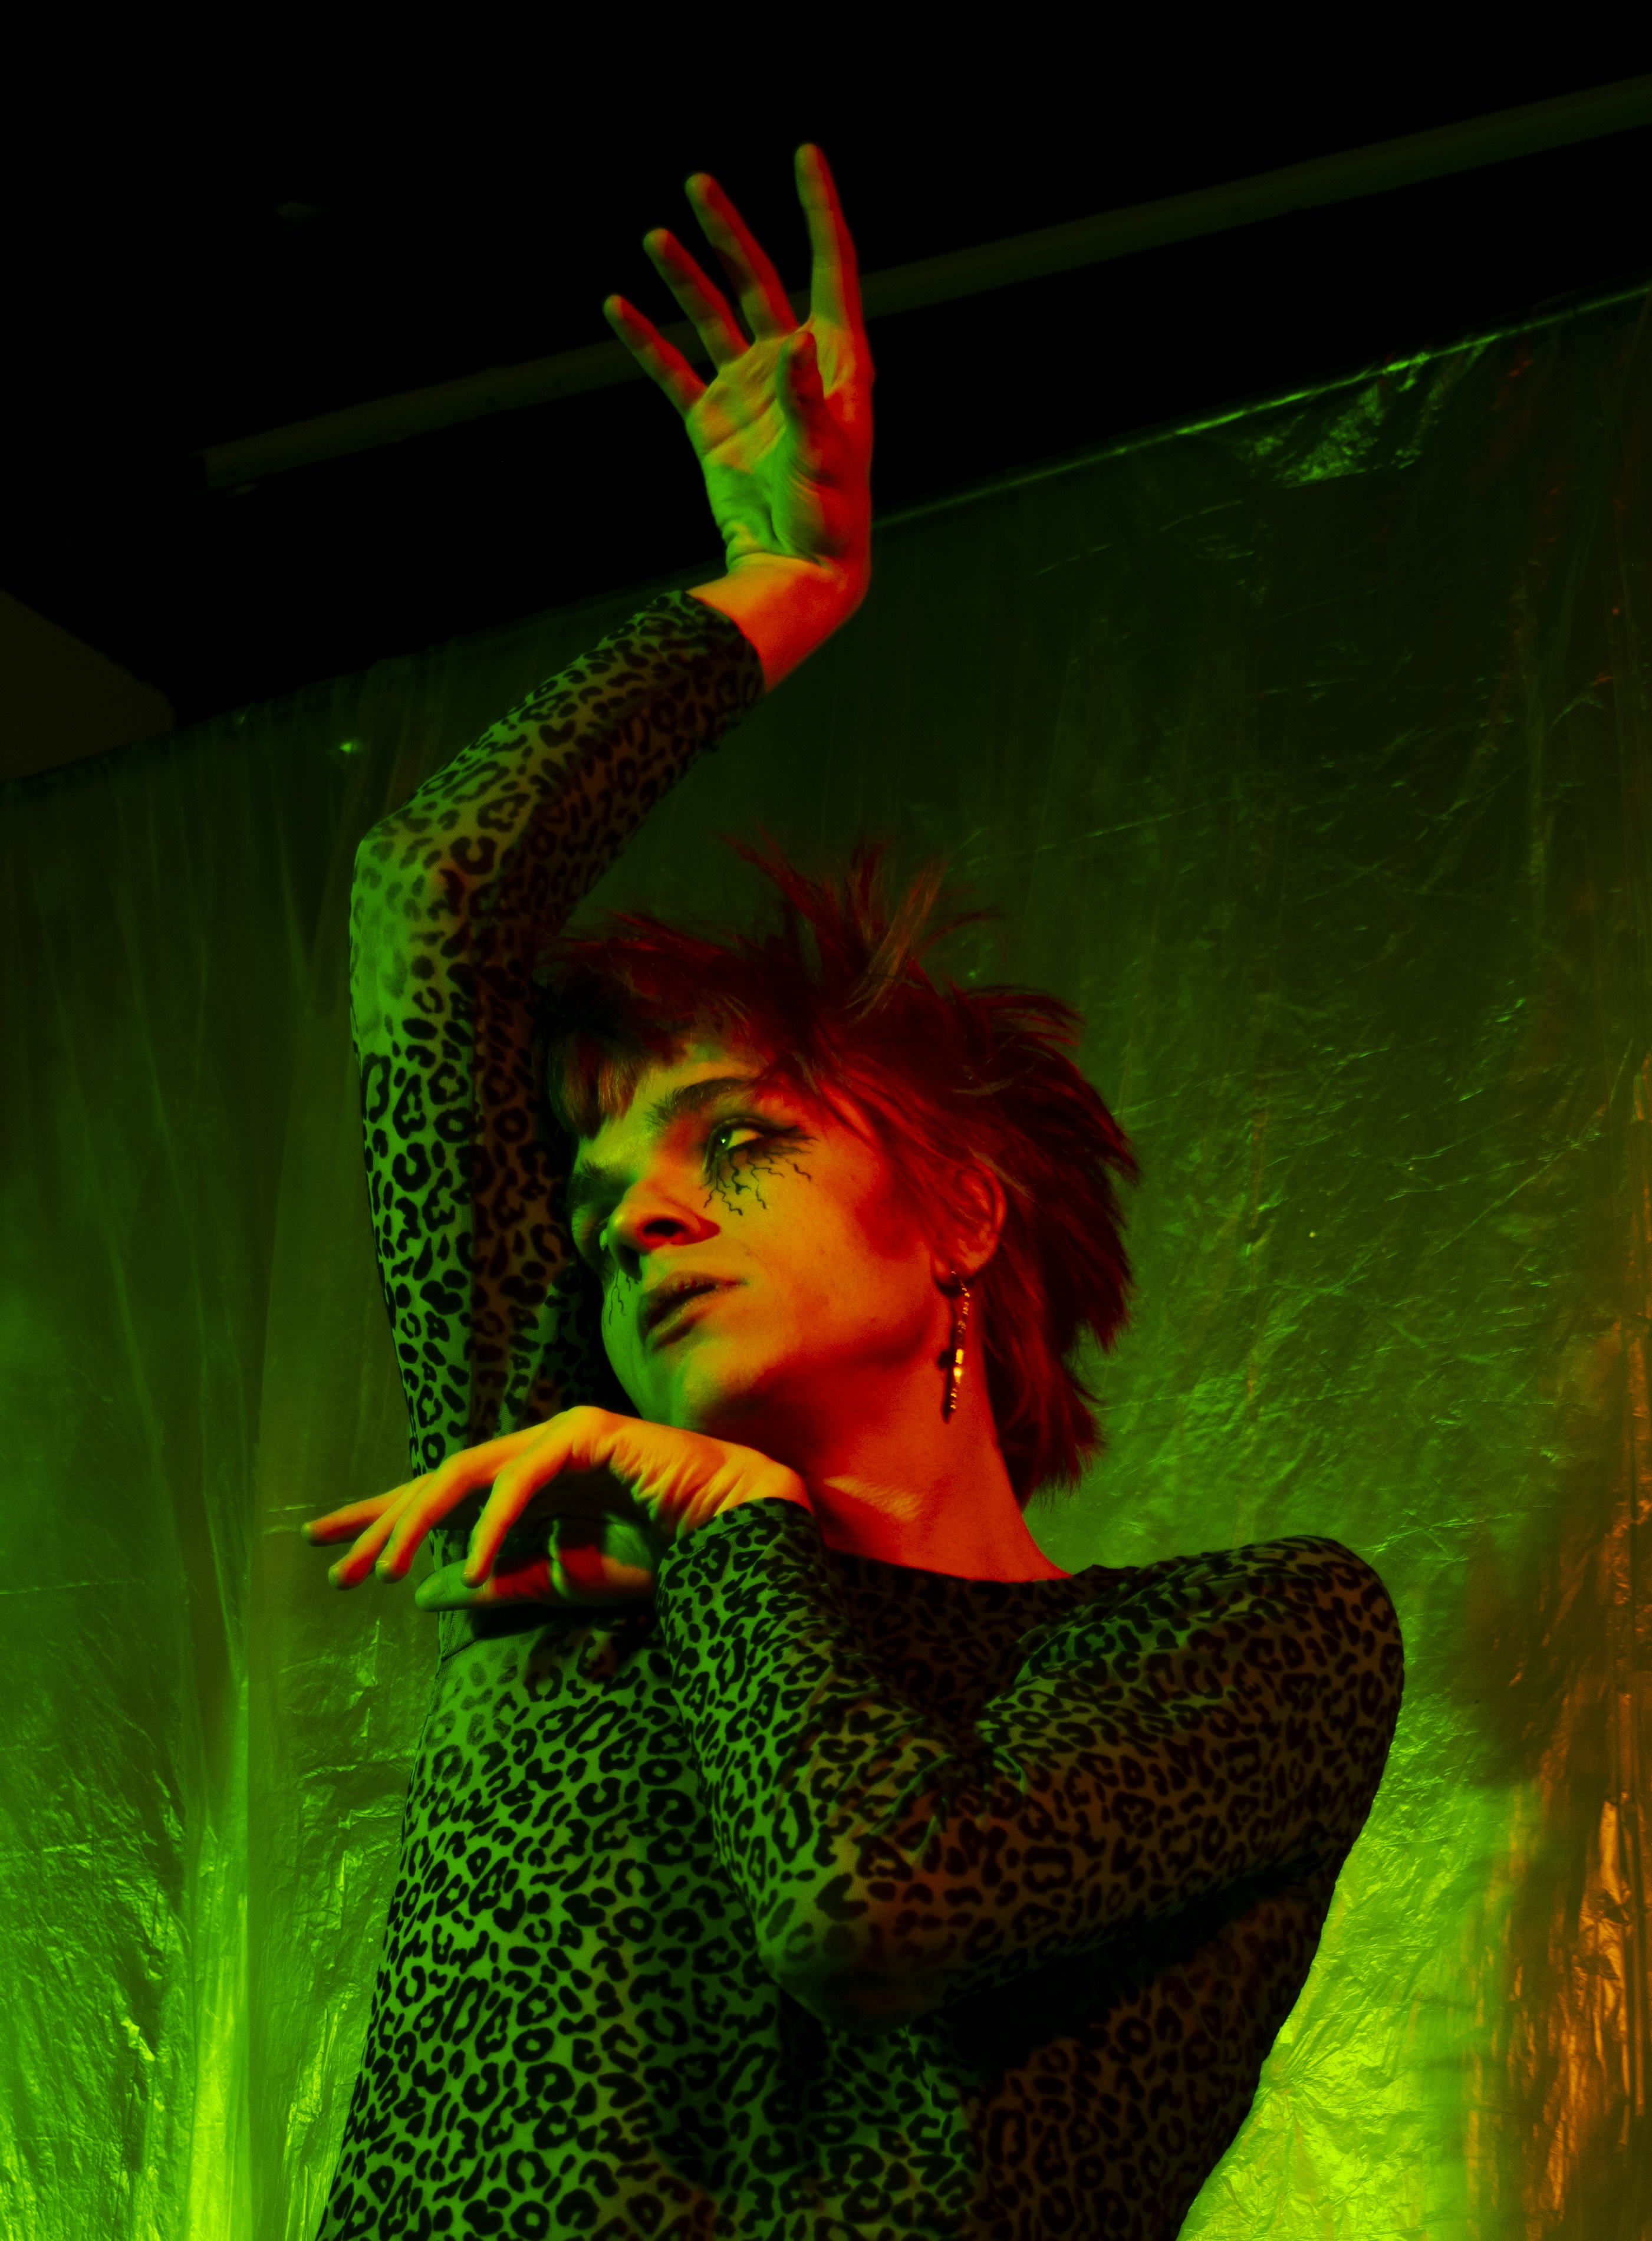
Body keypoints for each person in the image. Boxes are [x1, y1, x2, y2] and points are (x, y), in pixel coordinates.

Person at [302, 145, 1404, 2240]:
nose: (633, 1213)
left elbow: (878, 1905)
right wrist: (770, 592)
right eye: (605, 1179)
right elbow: (425, 911)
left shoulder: (1244, 1642)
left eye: (740, 1139)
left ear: (964, 1213)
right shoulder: (569, 1515)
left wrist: (730, 1517)